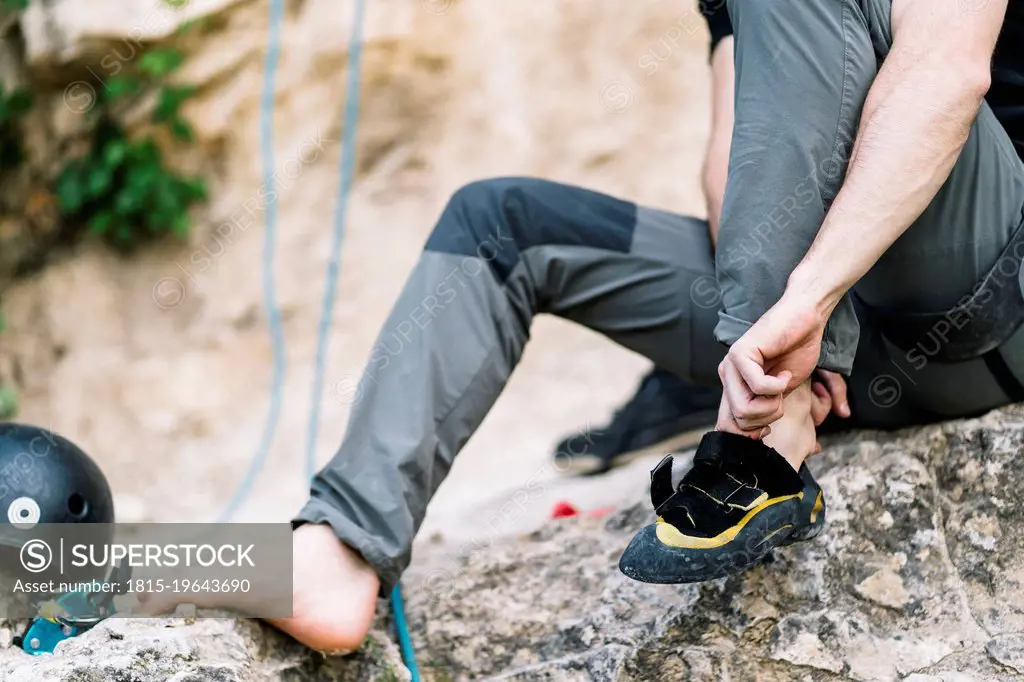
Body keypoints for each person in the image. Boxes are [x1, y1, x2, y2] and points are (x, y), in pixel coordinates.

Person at [144, 0, 1024, 653]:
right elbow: (735, 164)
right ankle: (338, 547)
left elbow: (945, 75)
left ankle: (763, 440)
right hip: (834, 341)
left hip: (989, 300)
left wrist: (807, 306)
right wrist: (768, 350)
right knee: (501, 222)